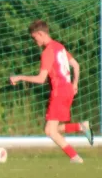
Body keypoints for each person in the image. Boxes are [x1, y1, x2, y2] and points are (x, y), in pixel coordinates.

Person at [9, 20, 93, 163]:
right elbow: (76, 65)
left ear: (40, 34)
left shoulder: (47, 52)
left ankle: (75, 157)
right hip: (68, 90)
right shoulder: (59, 47)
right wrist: (75, 83)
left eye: (34, 37)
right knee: (52, 128)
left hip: (59, 91)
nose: (34, 41)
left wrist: (20, 77)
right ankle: (80, 126)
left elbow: (41, 79)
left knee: (50, 131)